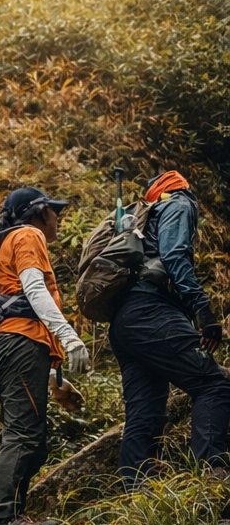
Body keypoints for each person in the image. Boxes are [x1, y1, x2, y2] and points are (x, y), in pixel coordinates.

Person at [0, 187, 90, 525]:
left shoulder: (4, 243)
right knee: (23, 435)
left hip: (9, 348)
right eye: (54, 211)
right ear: (39, 212)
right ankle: (1, 521)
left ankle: (12, 517)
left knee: (33, 440)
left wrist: (54, 378)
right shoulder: (28, 235)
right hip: (19, 345)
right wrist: (70, 336)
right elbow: (33, 291)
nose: (57, 217)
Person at [109, 170, 230, 487]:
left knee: (145, 409)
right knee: (212, 384)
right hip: (151, 310)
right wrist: (202, 311)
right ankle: (212, 483)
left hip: (125, 320)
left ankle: (138, 500)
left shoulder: (143, 219)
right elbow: (175, 254)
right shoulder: (178, 202)